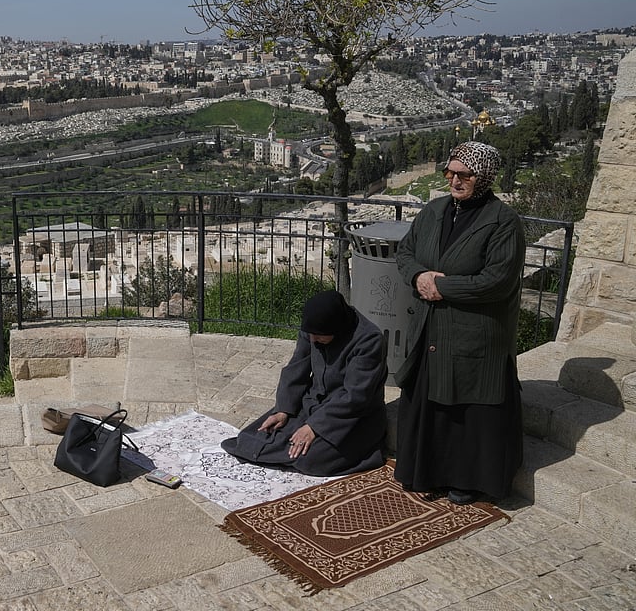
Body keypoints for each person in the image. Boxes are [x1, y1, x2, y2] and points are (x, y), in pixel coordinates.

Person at [394, 140, 525, 505]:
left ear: (482, 177)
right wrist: (418, 276)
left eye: (464, 174)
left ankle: (468, 480)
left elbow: (498, 280)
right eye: (450, 173)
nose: (455, 180)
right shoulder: (434, 211)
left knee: (468, 410)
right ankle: (426, 473)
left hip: (474, 334)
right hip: (430, 328)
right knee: (429, 406)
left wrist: (444, 287)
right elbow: (405, 253)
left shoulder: (503, 222)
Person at [221, 290, 387, 476]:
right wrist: (283, 409)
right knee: (249, 437)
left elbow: (355, 397)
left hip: (351, 416)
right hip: (313, 402)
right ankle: (279, 448)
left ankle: (367, 451)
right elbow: (296, 367)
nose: (313, 340)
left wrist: (314, 427)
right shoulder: (312, 331)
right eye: (310, 335)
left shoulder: (369, 340)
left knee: (311, 460)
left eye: (319, 336)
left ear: (336, 328)